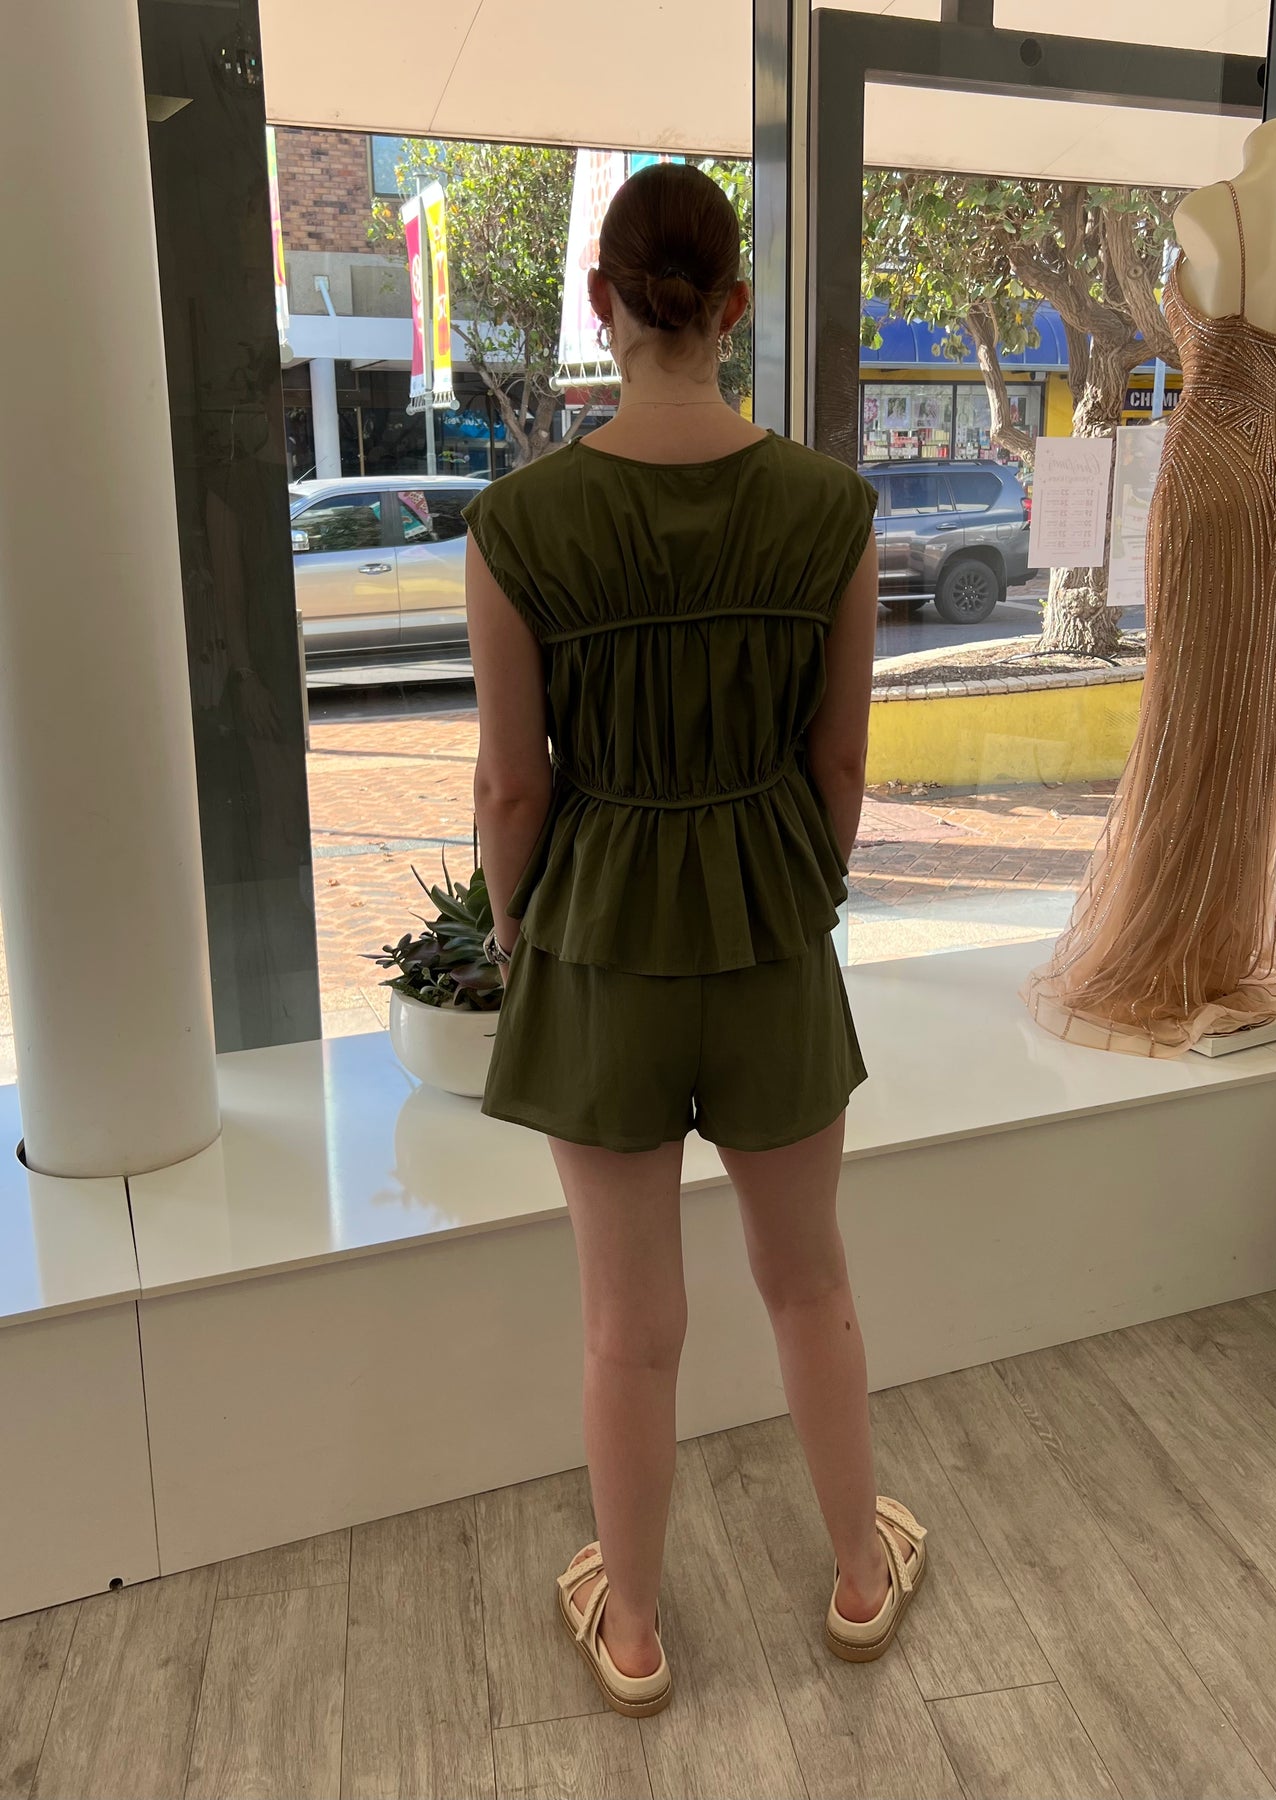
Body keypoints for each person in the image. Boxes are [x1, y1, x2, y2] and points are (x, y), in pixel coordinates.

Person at [462, 163, 927, 1718]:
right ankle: (856, 1580)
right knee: (808, 1282)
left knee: (627, 1323)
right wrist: (794, 891)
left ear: (602, 302)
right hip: (769, 926)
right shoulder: (829, 512)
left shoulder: (519, 523)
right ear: (734, 305)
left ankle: (638, 1633)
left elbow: (513, 785)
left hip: (599, 942)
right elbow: (839, 766)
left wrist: (519, 930)